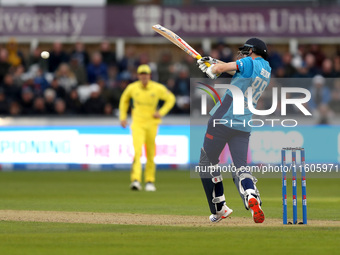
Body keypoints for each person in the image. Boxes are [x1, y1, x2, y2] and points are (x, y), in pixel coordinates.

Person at [197, 38, 271, 223]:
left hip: (224, 118)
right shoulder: (266, 69)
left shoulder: (248, 62)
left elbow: (223, 69)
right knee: (241, 166)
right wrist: (213, 61)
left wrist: (212, 69)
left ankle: (219, 207)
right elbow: (233, 68)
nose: (244, 53)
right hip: (244, 123)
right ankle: (251, 195)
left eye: (246, 50)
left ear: (252, 50)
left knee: (207, 161)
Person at [119, 64, 175, 191]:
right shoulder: (132, 88)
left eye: (146, 74)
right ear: (138, 75)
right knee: (137, 152)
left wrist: (160, 113)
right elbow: (124, 100)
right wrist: (123, 117)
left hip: (152, 124)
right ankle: (136, 180)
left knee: (150, 153)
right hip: (137, 124)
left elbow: (171, 99)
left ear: (149, 75)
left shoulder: (157, 88)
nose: (144, 77)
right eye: (141, 74)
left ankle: (150, 181)